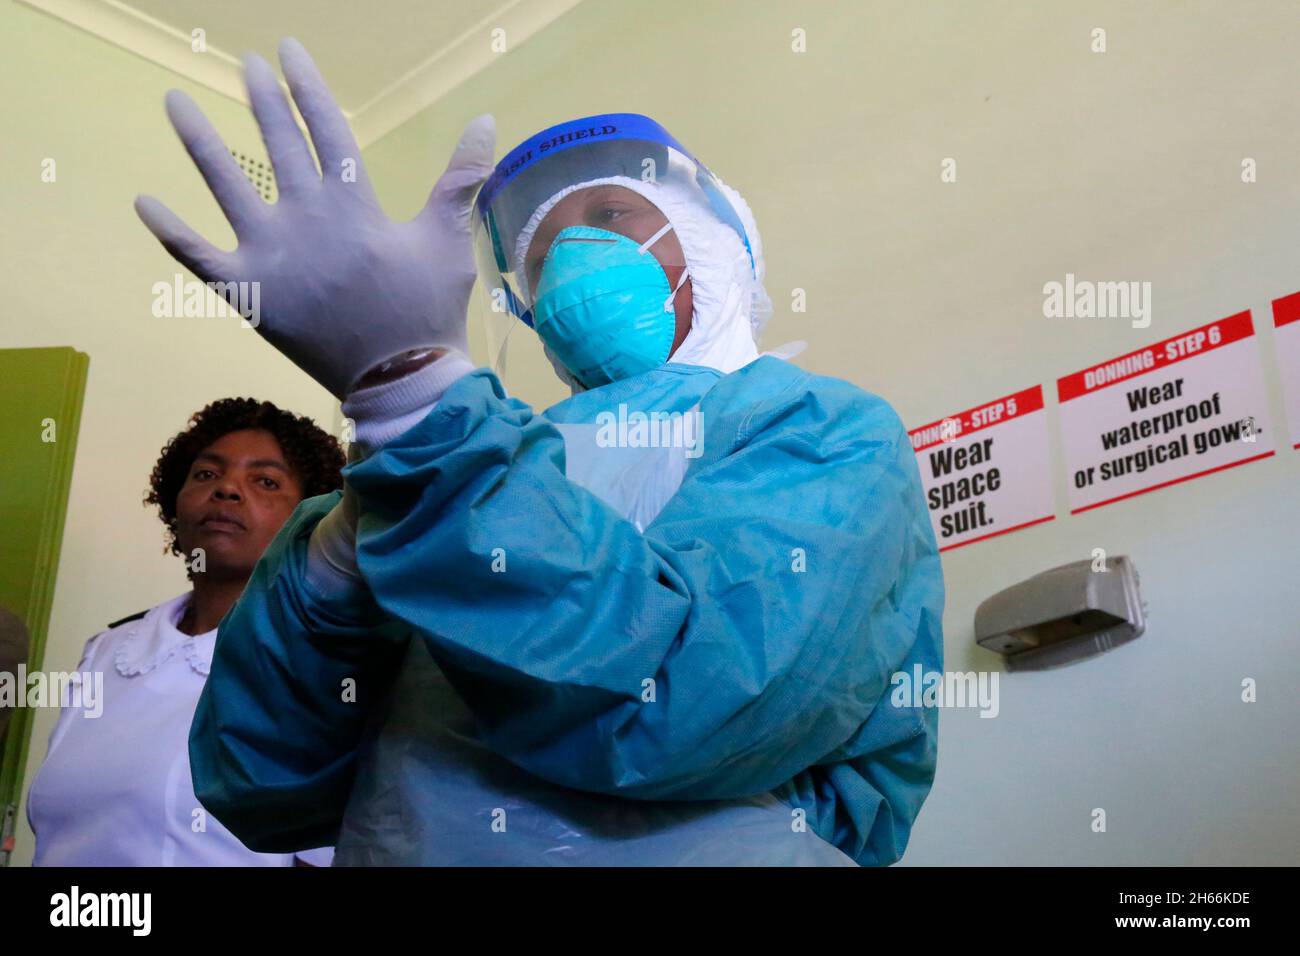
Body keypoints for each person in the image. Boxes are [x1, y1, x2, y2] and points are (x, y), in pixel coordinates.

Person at [135, 37, 944, 865]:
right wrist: (336, 563)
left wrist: (418, 410)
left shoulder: (819, 428)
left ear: (714, 238)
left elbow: (680, 711)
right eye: (541, 249)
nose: (569, 257)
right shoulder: (455, 468)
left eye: (609, 216)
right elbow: (264, 787)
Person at [26, 398, 343, 866]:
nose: (228, 489)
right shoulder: (111, 649)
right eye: (206, 474)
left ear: (309, 518)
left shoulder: (318, 667)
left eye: (266, 481)